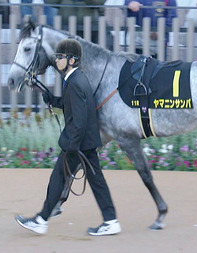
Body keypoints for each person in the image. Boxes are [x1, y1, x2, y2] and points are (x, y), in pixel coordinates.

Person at [15, 39, 121, 236]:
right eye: (57, 57)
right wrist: (51, 98)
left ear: (72, 60)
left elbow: (79, 119)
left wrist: (71, 146)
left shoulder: (74, 82)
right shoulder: (75, 79)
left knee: (59, 177)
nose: (57, 61)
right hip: (86, 142)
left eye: (61, 57)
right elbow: (69, 104)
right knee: (95, 180)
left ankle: (41, 219)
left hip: (78, 143)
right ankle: (111, 220)